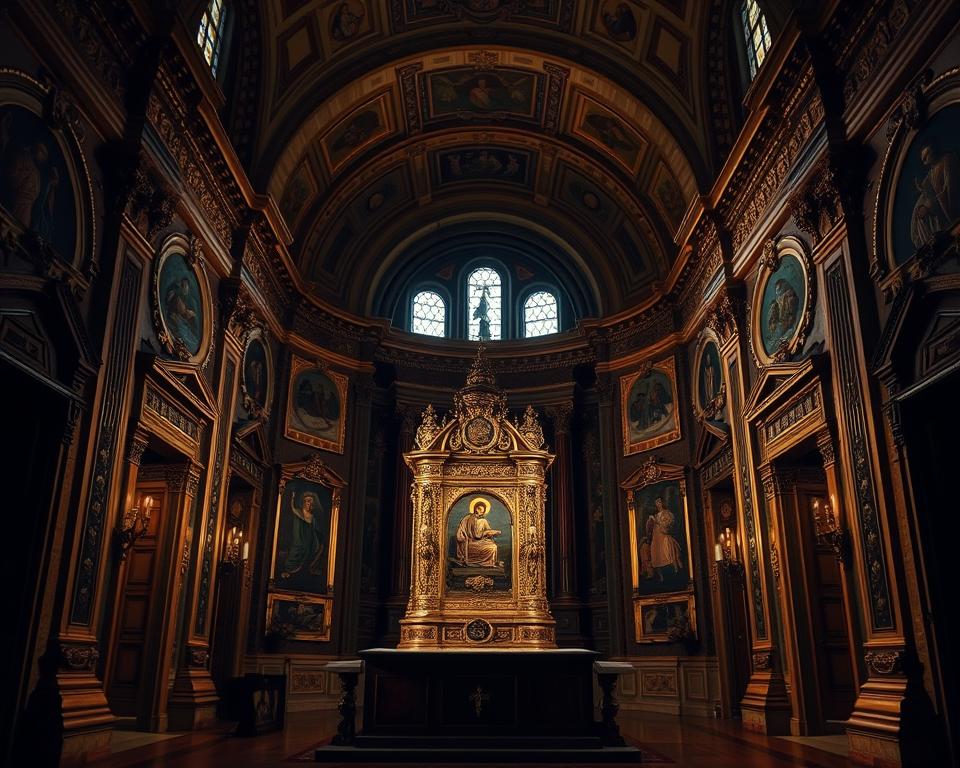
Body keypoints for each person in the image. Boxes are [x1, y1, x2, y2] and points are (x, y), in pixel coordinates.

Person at [910, 138, 959, 248]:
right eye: (923, 159)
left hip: (952, 210)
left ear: (933, 149)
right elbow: (927, 191)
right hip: (943, 212)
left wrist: (930, 206)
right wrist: (924, 206)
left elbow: (951, 189)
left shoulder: (947, 160)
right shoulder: (931, 174)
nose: (926, 159)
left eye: (927, 154)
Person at [281, 490, 326, 582]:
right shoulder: (299, 512)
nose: (309, 504)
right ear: (304, 502)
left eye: (310, 502)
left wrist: (320, 535)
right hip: (300, 537)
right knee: (298, 548)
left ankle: (308, 568)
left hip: (310, 538)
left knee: (315, 548)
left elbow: (316, 528)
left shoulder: (311, 516)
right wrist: (292, 498)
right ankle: (289, 569)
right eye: (307, 501)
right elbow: (293, 509)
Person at [455, 498, 501, 567]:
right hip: (470, 543)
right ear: (475, 508)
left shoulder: (483, 521)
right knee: (492, 547)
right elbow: (477, 535)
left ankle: (490, 562)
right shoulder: (468, 519)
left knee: (492, 545)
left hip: (479, 541)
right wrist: (485, 533)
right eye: (479, 509)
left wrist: (492, 533)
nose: (481, 511)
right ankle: (487, 563)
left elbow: (488, 531)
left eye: (482, 510)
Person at [647, 497, 682, 581]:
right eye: (656, 502)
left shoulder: (667, 513)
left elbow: (668, 524)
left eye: (659, 502)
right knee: (655, 553)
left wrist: (656, 521)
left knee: (667, 551)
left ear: (662, 502)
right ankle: (661, 576)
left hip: (663, 536)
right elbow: (650, 528)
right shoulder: (655, 515)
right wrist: (650, 522)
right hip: (656, 537)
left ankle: (675, 572)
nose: (658, 504)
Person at [165, 276, 199, 340]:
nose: (185, 288)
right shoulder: (173, 318)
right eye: (183, 285)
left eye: (186, 286)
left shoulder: (191, 302)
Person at [766, 278, 799, 344]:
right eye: (777, 291)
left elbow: (790, 317)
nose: (776, 293)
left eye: (778, 290)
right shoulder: (776, 304)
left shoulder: (789, 297)